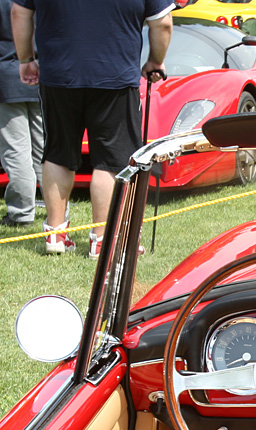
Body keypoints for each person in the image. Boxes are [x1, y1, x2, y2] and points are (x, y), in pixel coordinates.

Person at [12, 0, 173, 256]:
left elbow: (19, 12)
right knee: (111, 158)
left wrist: (25, 59)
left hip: (58, 75)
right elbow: (162, 23)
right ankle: (102, 239)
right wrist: (156, 60)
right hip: (116, 75)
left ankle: (55, 234)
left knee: (57, 153)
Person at [0, 0, 42, 228]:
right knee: (46, 150)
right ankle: (58, 211)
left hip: (7, 78)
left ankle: (21, 213)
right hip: (43, 75)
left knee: (16, 150)